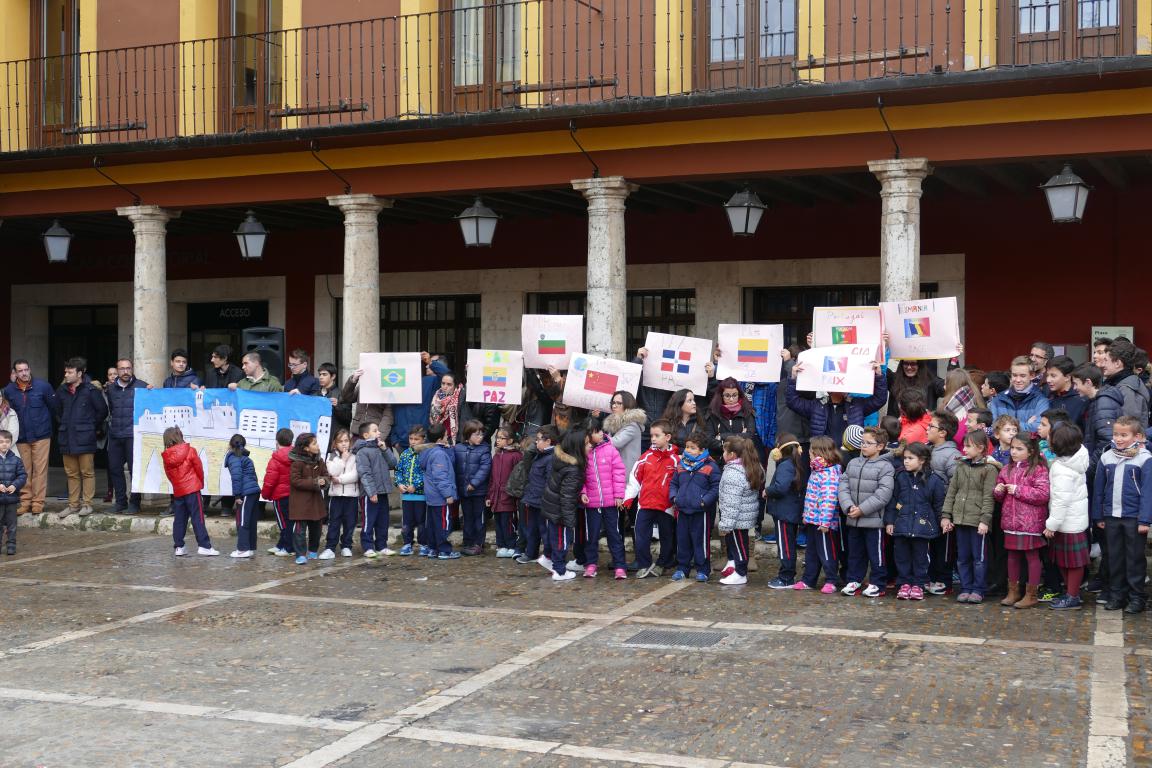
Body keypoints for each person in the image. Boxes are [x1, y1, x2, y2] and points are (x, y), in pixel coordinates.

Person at [1091, 415, 1152, 613]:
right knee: (1114, 557)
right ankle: (1117, 594)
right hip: (1111, 516)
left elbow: (1148, 492)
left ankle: (1136, 597)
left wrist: (1145, 519)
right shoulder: (1106, 456)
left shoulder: (1144, 458)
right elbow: (1098, 489)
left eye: (1124, 435)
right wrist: (1098, 516)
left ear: (1136, 436)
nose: (1119, 438)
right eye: (1116, 434)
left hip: (1133, 517)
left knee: (1134, 558)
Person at [994, 434, 1051, 609]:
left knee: (1031, 557)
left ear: (1031, 451)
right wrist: (998, 490)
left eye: (1019, 449)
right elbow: (999, 495)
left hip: (1030, 522)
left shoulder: (1039, 469)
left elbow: (1042, 495)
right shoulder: (1006, 469)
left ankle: (1031, 594)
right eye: (1012, 448)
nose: (1014, 452)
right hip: (1011, 522)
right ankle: (1013, 591)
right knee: (1012, 557)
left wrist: (1018, 490)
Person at [941, 430, 998, 604]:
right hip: (960, 518)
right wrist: (946, 515)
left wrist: (984, 520)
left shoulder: (989, 469)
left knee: (979, 558)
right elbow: (952, 492)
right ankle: (966, 587)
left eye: (968, 446)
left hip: (977, 520)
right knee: (962, 557)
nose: (964, 449)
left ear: (980, 448)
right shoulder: (961, 466)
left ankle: (978, 589)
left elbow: (989, 496)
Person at [838, 426, 895, 598]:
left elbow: (883, 494)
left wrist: (862, 510)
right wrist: (848, 507)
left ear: (880, 446)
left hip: (873, 521)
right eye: (862, 442)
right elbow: (843, 486)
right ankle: (854, 580)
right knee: (855, 552)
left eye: (868, 443)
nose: (863, 446)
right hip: (853, 518)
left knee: (876, 553)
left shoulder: (885, 467)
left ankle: (878, 583)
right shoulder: (853, 463)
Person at [885, 442, 945, 601]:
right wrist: (890, 521)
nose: (906, 461)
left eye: (910, 458)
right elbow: (893, 501)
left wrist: (942, 521)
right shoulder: (900, 477)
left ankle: (919, 584)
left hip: (923, 528)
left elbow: (938, 505)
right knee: (902, 556)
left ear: (922, 460)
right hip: (902, 524)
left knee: (921, 557)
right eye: (905, 458)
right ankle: (904, 583)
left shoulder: (934, 480)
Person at [786, 360, 888, 447]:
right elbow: (793, 402)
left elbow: (880, 399)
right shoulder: (817, 406)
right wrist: (793, 378)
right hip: (824, 458)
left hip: (850, 459)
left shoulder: (856, 405)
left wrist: (878, 375)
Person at [1044, 422, 1090, 610]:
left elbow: (1061, 501)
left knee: (1071, 562)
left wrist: (1051, 525)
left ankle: (1072, 596)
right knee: (1066, 561)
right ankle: (1071, 593)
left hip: (1067, 522)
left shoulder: (1062, 469)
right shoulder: (1077, 458)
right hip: (1074, 520)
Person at [626, 419, 681, 579]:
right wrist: (629, 497)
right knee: (641, 535)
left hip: (666, 506)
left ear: (668, 437)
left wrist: (677, 501)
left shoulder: (676, 460)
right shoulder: (645, 457)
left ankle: (663, 563)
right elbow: (635, 477)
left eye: (657, 435)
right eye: (651, 436)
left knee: (667, 536)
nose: (653, 439)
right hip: (645, 504)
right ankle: (644, 563)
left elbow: (680, 481)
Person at [55, 357, 108, 517]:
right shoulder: (62, 391)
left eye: (70, 372)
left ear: (80, 373)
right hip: (67, 438)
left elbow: (102, 411)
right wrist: (64, 423)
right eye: (66, 371)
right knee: (71, 473)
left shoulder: (91, 390)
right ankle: (73, 505)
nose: (66, 374)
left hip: (85, 437)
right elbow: (57, 412)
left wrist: (90, 426)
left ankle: (87, 504)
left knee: (87, 472)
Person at [669, 431, 722, 583]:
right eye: (687, 447)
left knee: (700, 541)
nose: (688, 450)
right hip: (683, 510)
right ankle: (682, 568)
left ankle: (703, 569)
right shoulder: (681, 466)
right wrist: (674, 497)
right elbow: (674, 483)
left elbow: (715, 487)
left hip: (701, 511)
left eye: (692, 448)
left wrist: (704, 501)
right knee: (683, 541)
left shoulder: (711, 466)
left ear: (701, 450)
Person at [794, 436, 842, 593]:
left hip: (824, 524)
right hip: (813, 520)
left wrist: (825, 522)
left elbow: (829, 500)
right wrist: (807, 515)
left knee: (827, 553)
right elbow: (812, 497)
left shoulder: (829, 473)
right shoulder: (817, 470)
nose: (808, 453)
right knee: (811, 553)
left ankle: (831, 579)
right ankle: (809, 579)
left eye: (811, 450)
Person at [579, 420, 626, 579]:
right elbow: (580, 477)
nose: (601, 434)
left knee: (614, 534)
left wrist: (619, 495)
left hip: (610, 503)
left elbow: (619, 473)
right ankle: (591, 564)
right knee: (591, 535)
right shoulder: (583, 453)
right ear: (588, 435)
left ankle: (620, 565)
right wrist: (583, 492)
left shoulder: (611, 450)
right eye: (596, 431)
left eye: (601, 431)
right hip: (591, 504)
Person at [161, 426, 217, 557]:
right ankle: (204, 546)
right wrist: (200, 483)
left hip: (179, 490)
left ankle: (179, 546)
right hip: (192, 488)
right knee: (198, 517)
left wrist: (177, 484)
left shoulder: (166, 456)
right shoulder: (190, 450)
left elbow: (169, 475)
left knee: (179, 519)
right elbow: (199, 468)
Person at [716, 435, 763, 586]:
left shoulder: (733, 473)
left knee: (739, 546)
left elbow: (731, 502)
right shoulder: (748, 466)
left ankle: (740, 573)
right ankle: (736, 567)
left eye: (724, 452)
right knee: (739, 544)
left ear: (732, 455)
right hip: (743, 516)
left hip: (736, 519)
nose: (722, 455)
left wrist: (726, 524)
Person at [541, 427, 585, 582]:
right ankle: (559, 571)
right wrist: (569, 520)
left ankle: (547, 558)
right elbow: (567, 497)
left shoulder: (560, 459)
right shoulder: (573, 469)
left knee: (552, 537)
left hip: (551, 506)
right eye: (586, 444)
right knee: (562, 540)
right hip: (560, 511)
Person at [105, 358, 148, 513]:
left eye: (128, 368)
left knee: (134, 470)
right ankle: (120, 502)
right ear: (117, 371)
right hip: (115, 434)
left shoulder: (142, 387)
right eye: (122, 369)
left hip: (133, 435)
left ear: (132, 369)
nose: (125, 371)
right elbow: (111, 409)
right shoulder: (110, 388)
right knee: (115, 469)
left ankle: (135, 503)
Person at [926, 410, 961, 595]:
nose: (927, 429)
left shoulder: (951, 455)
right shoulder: (928, 449)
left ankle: (943, 579)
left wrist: (946, 511)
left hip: (944, 509)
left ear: (943, 433)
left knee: (944, 546)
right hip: (928, 508)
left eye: (931, 426)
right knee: (930, 545)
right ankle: (931, 577)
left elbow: (955, 484)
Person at [764, 434, 804, 589]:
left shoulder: (785, 465)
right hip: (790, 511)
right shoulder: (793, 463)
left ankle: (786, 577)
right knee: (788, 544)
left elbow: (780, 488)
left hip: (784, 513)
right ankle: (786, 574)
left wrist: (767, 491)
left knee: (785, 546)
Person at [353, 420, 397, 558]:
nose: (379, 433)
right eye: (375, 430)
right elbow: (364, 473)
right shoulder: (362, 452)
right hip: (369, 493)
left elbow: (393, 463)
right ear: (366, 435)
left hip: (383, 491)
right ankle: (367, 546)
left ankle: (382, 546)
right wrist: (371, 492)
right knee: (369, 520)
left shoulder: (380, 448)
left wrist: (385, 449)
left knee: (383, 520)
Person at [391, 353, 450, 452]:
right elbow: (391, 413)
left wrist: (430, 362)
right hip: (402, 444)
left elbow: (447, 376)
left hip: (424, 442)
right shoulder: (394, 385)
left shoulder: (428, 382)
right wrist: (395, 441)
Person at [518, 426, 557, 566]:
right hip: (534, 498)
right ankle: (531, 552)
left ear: (548, 441)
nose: (536, 442)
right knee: (532, 528)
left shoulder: (551, 457)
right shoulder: (539, 455)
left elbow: (549, 481)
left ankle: (550, 556)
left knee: (545, 530)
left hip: (543, 500)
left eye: (539, 439)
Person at [420, 422, 460, 560]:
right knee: (443, 523)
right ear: (439, 439)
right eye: (445, 435)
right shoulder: (438, 454)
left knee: (432, 524)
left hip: (431, 496)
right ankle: (444, 550)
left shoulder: (428, 451)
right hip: (440, 497)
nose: (447, 437)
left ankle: (433, 549)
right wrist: (448, 494)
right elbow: (441, 476)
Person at [452, 419, 492, 556]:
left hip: (479, 491)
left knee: (479, 518)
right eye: (476, 434)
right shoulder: (458, 448)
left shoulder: (485, 449)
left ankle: (478, 543)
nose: (480, 437)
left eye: (481, 434)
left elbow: (485, 469)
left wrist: (474, 483)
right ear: (468, 434)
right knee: (467, 517)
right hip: (464, 491)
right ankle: (467, 542)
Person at [288, 433, 328, 564]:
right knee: (300, 530)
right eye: (314, 443)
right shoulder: (297, 463)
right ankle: (300, 554)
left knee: (316, 528)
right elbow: (295, 481)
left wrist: (325, 481)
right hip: (300, 503)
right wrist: (315, 482)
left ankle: (313, 551)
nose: (318, 446)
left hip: (316, 502)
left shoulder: (319, 461)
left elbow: (326, 476)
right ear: (306, 448)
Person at [321, 429, 359, 560]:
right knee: (334, 522)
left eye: (346, 441)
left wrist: (340, 479)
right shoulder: (331, 456)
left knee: (350, 522)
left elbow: (355, 475)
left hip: (351, 496)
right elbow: (332, 471)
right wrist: (342, 460)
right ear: (335, 443)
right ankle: (330, 547)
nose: (344, 444)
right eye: (340, 441)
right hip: (336, 496)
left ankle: (346, 546)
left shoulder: (355, 456)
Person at [1097, 338, 1150, 430]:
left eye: (1106, 360)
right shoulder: (1121, 384)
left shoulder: (1127, 389)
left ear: (1117, 363)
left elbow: (1127, 428)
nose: (1102, 365)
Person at [990, 356, 1050, 437]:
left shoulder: (1042, 401)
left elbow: (1038, 429)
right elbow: (994, 429)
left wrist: (1005, 428)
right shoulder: (998, 400)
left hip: (1029, 448)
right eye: (1015, 375)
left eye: (1022, 376)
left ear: (1032, 375)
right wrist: (1027, 425)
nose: (1018, 380)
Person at [486, 427, 523, 559]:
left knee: (509, 522)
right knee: (498, 522)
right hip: (496, 496)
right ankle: (501, 545)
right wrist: (489, 495)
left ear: (510, 440)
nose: (498, 440)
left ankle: (511, 545)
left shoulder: (516, 456)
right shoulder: (496, 456)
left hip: (509, 496)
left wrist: (515, 494)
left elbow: (519, 477)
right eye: (498, 438)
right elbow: (492, 478)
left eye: (502, 438)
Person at [224, 434, 260, 559]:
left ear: (230, 445)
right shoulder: (246, 458)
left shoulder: (233, 458)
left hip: (245, 493)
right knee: (251, 521)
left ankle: (242, 549)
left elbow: (236, 478)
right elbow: (253, 476)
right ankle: (249, 548)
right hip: (254, 491)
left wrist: (237, 495)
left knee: (242, 521)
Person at [704, 378, 760, 457]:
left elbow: (750, 437)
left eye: (734, 395)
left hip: (742, 459)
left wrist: (721, 436)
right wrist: (740, 438)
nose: (731, 399)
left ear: (739, 395)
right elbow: (709, 440)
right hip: (719, 459)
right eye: (727, 396)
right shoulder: (713, 413)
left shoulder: (747, 412)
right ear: (721, 396)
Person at [261, 428, 295, 557]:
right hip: (293, 495)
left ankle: (289, 548)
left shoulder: (275, 459)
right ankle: (281, 545)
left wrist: (265, 494)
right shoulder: (296, 456)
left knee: (283, 523)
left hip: (280, 496)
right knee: (289, 521)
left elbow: (270, 480)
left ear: (276, 441)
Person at [396, 426, 429, 557]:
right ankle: (407, 543)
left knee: (422, 522)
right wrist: (399, 483)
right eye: (411, 439)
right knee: (407, 522)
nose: (413, 441)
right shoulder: (405, 454)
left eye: (416, 439)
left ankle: (423, 544)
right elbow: (398, 471)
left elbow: (427, 473)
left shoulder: (426, 454)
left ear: (423, 439)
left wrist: (416, 485)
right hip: (407, 497)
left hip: (421, 496)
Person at [602, 391, 647, 472]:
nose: (614, 406)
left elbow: (616, 443)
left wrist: (599, 437)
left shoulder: (632, 425)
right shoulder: (614, 423)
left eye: (618, 403)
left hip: (625, 472)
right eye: (613, 402)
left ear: (627, 404)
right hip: (614, 469)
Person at [941, 368, 986, 447]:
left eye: (946, 385)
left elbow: (956, 439)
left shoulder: (966, 417)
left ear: (952, 387)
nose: (944, 388)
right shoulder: (974, 402)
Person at [0, 430, 27, 555]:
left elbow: (22, 475)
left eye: (7, 442)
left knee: (12, 524)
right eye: (1, 442)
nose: (4, 444)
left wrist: (14, 486)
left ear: (11, 443)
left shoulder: (16, 460)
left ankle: (11, 544)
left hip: (11, 499)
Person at [1045, 356, 1087, 427]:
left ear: (1067, 377)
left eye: (1053, 376)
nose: (1048, 380)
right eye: (1047, 375)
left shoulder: (1081, 400)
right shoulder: (1047, 396)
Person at [316, 363, 353, 437]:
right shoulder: (315, 395)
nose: (321, 377)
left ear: (333, 376)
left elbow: (348, 419)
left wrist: (337, 406)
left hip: (335, 437)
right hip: (319, 435)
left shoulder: (342, 395)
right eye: (320, 374)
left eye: (324, 374)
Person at [430, 371, 464, 445]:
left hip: (454, 439)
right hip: (439, 439)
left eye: (449, 384)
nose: (445, 387)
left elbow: (463, 420)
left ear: (455, 385)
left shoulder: (461, 397)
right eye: (443, 383)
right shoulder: (437, 396)